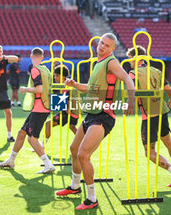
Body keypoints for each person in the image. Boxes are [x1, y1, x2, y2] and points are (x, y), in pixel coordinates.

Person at [56, 33, 135, 210]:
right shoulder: (98, 63)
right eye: (101, 43)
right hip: (91, 114)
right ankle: (75, 187)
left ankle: (92, 198)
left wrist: (131, 99)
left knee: (83, 155)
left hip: (103, 116)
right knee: (74, 149)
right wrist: (74, 84)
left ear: (112, 48)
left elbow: (128, 78)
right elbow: (90, 89)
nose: (102, 47)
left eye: (107, 45)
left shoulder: (111, 62)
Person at [127, 45, 171, 188]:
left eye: (130, 58)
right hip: (162, 110)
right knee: (168, 141)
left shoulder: (133, 73)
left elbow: (131, 92)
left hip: (149, 115)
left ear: (136, 58)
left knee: (149, 153)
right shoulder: (156, 71)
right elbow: (169, 90)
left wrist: (130, 103)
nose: (129, 62)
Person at [0, 47, 56, 174]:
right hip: (44, 106)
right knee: (21, 132)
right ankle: (11, 160)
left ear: (31, 56)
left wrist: (25, 89)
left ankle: (48, 164)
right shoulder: (46, 70)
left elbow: (38, 89)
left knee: (32, 139)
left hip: (40, 108)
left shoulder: (35, 70)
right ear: (42, 57)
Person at [42, 64, 79, 148]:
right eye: (55, 75)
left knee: (48, 124)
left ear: (63, 76)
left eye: (57, 75)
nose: (55, 77)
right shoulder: (67, 83)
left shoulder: (65, 85)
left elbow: (65, 100)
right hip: (74, 112)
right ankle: (84, 143)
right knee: (72, 127)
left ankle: (42, 147)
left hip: (68, 112)